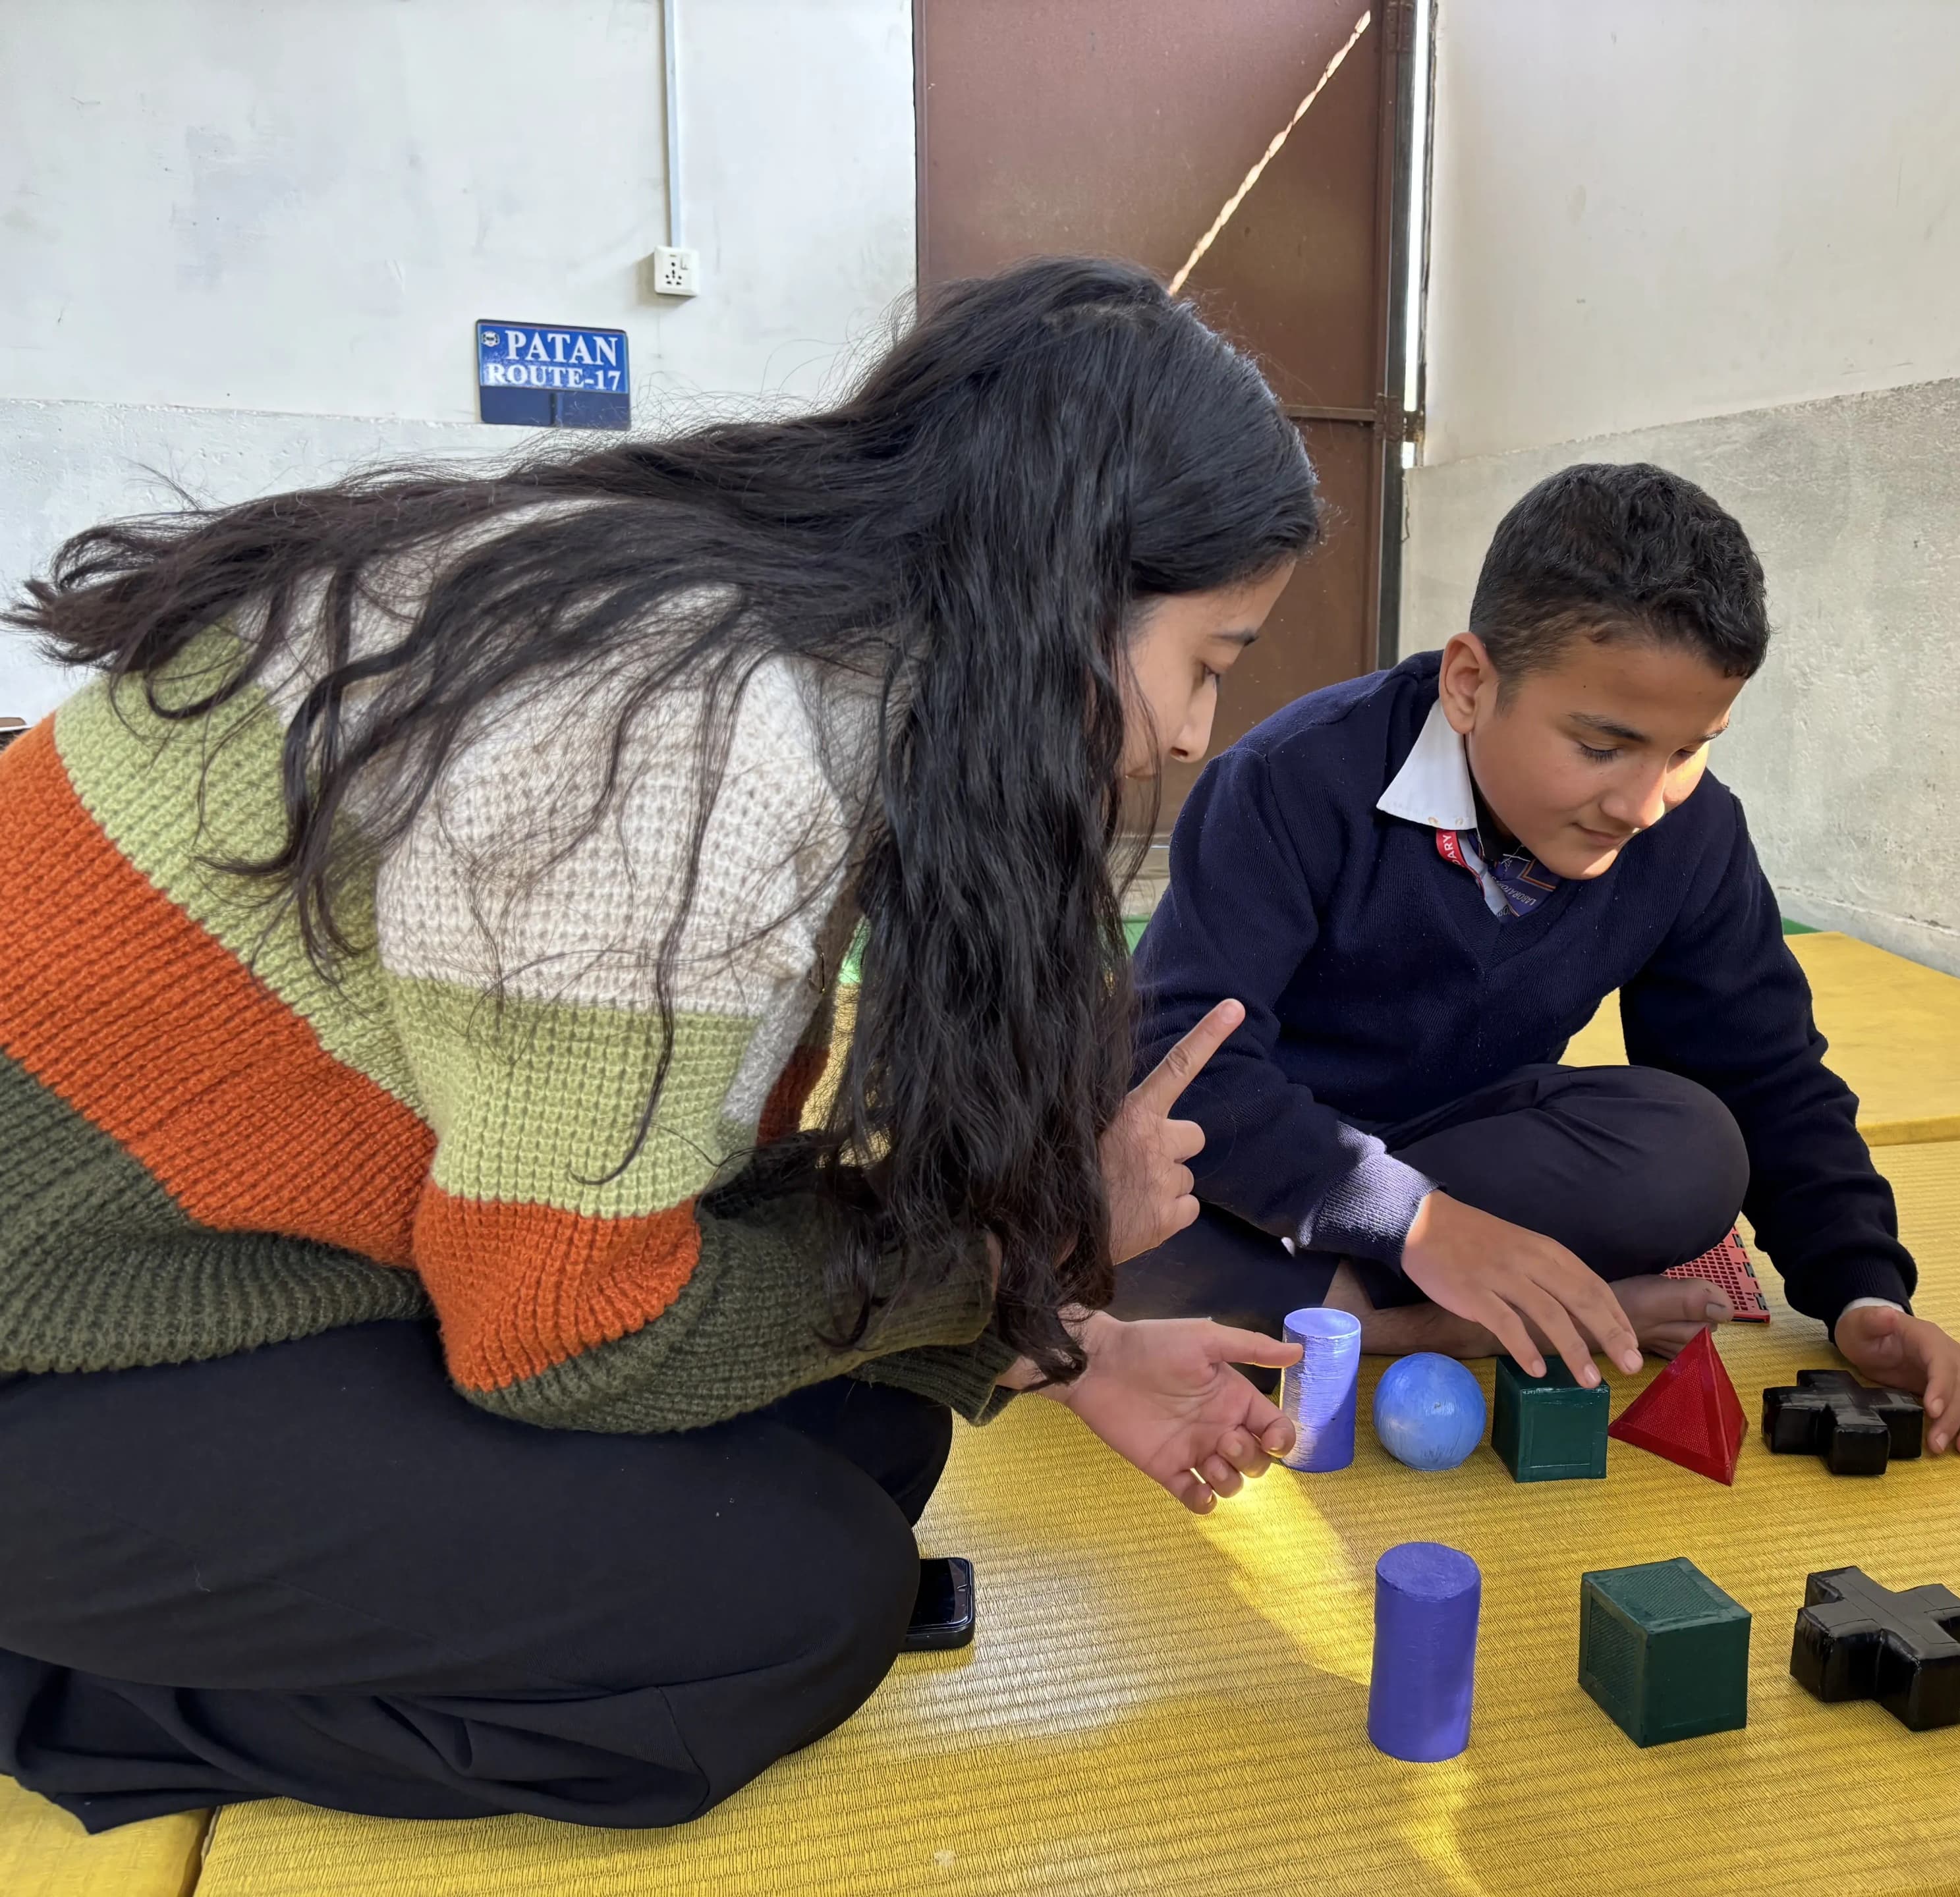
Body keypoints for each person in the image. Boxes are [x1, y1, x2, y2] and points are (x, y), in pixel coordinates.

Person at [0, 259, 1317, 1832]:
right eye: (1209, 661)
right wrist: (1014, 1262)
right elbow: (566, 1337)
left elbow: (665, 1191)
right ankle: (55, 1688)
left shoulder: (783, 668)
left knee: (876, 1430)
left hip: (220, 1261)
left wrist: (1054, 1335)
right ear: (1061, 590)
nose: (1190, 738)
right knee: (795, 1613)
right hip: (49, 1350)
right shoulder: (686, 744)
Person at [1126, 462, 1960, 1450]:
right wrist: (1417, 1225)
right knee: (1080, 1218)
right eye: (1600, 747)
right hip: (1261, 1158)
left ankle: (1352, 1299)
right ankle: (1421, 1318)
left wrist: (1861, 1295)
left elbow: (1764, 1071)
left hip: (1464, 1151)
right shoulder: (1291, 783)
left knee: (1693, 1150)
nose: (1640, 804)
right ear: (1469, 684)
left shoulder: (1691, 832)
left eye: (1687, 751)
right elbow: (1187, 1069)